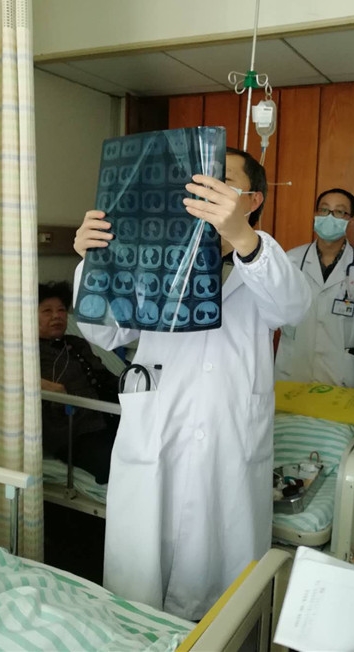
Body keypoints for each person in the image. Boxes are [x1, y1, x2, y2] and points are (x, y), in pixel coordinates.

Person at [72, 146, 312, 620]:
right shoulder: (150, 256)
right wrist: (92, 264)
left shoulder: (264, 260)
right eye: (201, 183)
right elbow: (106, 333)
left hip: (228, 442)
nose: (208, 193)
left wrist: (242, 238)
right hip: (157, 433)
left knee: (220, 597)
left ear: (253, 200)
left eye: (223, 184)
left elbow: (293, 307)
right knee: (139, 592)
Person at [275, 188, 354, 389]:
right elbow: (278, 312)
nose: (330, 217)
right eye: (324, 210)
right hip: (294, 365)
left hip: (341, 371)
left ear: (350, 220)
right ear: (316, 214)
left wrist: (346, 353)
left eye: (339, 212)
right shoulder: (292, 260)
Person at [39, 281, 120, 484]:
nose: (57, 316)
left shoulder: (77, 343)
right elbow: (9, 377)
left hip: (110, 414)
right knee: (116, 463)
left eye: (61, 310)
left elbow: (106, 377)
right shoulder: (27, 351)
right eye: (47, 311)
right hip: (74, 430)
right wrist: (40, 384)